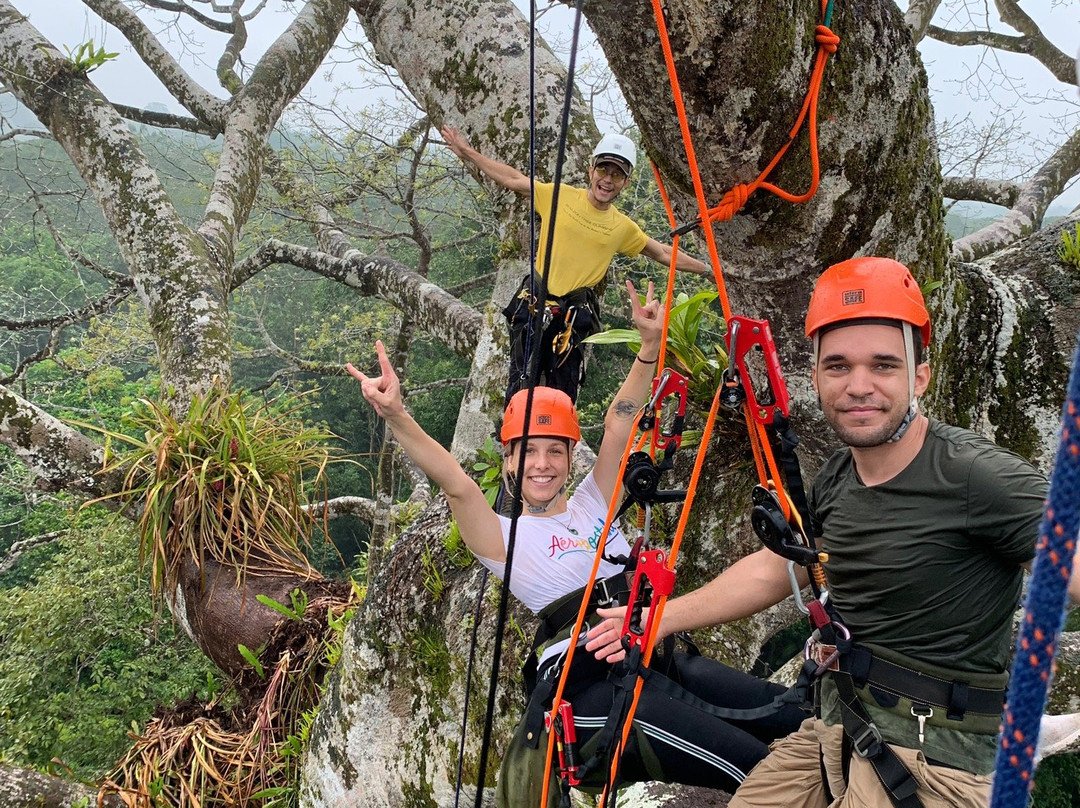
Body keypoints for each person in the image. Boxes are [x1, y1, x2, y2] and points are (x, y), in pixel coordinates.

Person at [587, 256, 1071, 808]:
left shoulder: (978, 477)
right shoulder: (840, 475)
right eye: (838, 366)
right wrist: (657, 620)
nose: (858, 386)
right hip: (838, 728)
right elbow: (784, 563)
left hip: (938, 760)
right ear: (814, 376)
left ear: (920, 376)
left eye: (883, 366)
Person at [347, 280, 804, 808]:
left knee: (794, 715)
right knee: (754, 767)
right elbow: (455, 482)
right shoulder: (504, 539)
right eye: (527, 452)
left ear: (569, 456)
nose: (541, 464)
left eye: (554, 451)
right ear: (507, 462)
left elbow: (619, 424)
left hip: (652, 656)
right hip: (589, 689)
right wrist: (397, 415)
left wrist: (650, 349)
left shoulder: (593, 502)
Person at [441, 124, 709, 405]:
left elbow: (663, 253)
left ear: (626, 183)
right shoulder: (559, 196)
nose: (608, 180)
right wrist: (467, 153)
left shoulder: (621, 227)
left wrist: (710, 270)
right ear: (591, 170)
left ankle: (557, 444)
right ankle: (516, 441)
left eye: (617, 174)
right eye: (603, 170)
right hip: (535, 300)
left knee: (562, 394)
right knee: (520, 383)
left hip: (573, 314)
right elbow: (514, 179)